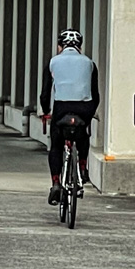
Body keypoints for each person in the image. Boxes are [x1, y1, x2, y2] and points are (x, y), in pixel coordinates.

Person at [41, 29, 99, 205]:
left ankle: (56, 183)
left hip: (61, 107)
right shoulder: (89, 63)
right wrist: (90, 114)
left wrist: (46, 111)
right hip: (84, 108)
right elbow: (95, 94)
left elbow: (45, 93)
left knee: (57, 146)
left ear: (60, 46)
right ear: (79, 46)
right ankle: (82, 167)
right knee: (83, 135)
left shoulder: (53, 62)